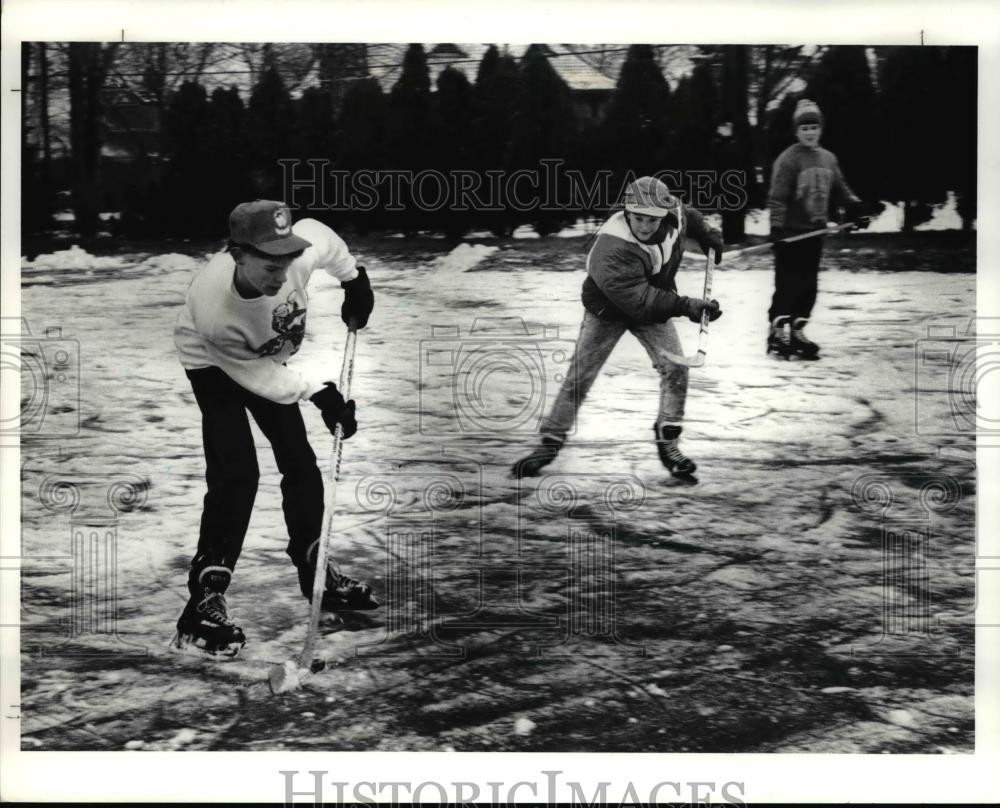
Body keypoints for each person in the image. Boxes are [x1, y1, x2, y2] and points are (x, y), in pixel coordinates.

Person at [172, 200, 378, 656]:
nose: (282, 273)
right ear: (238, 254)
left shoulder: (291, 256)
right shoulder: (215, 310)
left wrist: (353, 279)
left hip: (264, 357)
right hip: (214, 363)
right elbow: (261, 380)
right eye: (270, 264)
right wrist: (323, 394)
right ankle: (202, 605)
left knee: (299, 461)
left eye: (287, 259)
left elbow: (319, 235)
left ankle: (316, 570)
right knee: (237, 472)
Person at [512, 175, 723, 480]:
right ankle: (550, 441)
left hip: (654, 298)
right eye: (638, 218)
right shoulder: (613, 246)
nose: (645, 226)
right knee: (581, 373)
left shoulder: (672, 213)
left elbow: (686, 213)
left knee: (676, 367)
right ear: (627, 212)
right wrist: (686, 306)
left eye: (652, 219)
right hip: (608, 309)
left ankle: (669, 440)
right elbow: (640, 300)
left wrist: (706, 234)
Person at [766, 98, 872, 359]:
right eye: (804, 128)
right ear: (796, 131)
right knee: (787, 284)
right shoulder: (788, 159)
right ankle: (778, 331)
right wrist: (777, 228)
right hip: (791, 235)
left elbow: (840, 189)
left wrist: (855, 207)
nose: (810, 132)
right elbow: (778, 196)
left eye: (814, 127)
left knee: (808, 285)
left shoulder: (828, 159)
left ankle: (799, 329)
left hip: (815, 234)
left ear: (820, 129)